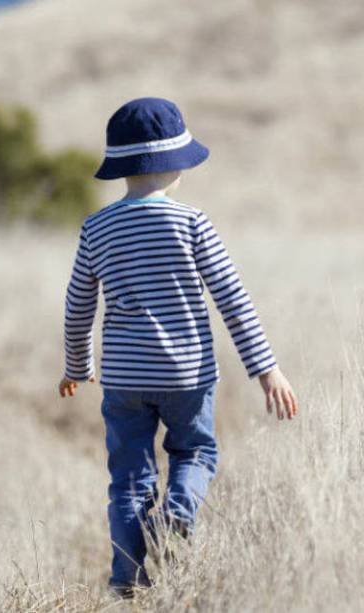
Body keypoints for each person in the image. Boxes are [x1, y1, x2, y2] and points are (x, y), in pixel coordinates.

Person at [57, 97, 298, 597]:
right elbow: (234, 300)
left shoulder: (96, 228)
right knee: (194, 453)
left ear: (122, 167)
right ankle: (177, 514)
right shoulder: (193, 224)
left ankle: (127, 580)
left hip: (124, 379)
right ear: (175, 166)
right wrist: (266, 369)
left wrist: (77, 366)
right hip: (187, 374)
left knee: (128, 479)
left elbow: (78, 305)